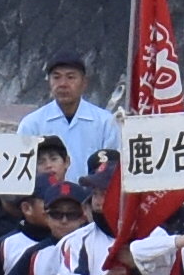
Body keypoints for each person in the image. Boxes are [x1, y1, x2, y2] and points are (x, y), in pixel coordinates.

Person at [17, 51, 121, 182]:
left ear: (84, 83)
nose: (63, 84)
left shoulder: (106, 122)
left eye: (70, 77)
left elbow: (113, 169)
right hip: (45, 200)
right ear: (49, 82)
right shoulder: (31, 124)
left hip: (91, 199)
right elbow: (21, 172)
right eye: (56, 77)